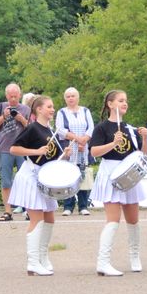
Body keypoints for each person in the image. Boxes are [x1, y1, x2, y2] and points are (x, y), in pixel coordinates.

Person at [8, 95, 71, 276]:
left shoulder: (49, 130)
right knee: (37, 220)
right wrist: (35, 151)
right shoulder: (33, 128)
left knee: (50, 219)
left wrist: (65, 154)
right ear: (39, 110)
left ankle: (43, 257)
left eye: (53, 107)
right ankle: (33, 262)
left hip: (45, 179)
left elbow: (50, 157)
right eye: (49, 107)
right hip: (31, 177)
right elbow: (14, 149)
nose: (52, 109)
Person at [89, 90, 147, 276]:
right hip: (111, 172)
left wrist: (146, 137)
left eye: (126, 101)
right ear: (110, 104)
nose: (125, 103)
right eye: (121, 100)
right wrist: (113, 144)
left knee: (133, 220)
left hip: (129, 173)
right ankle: (103, 262)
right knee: (113, 220)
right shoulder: (102, 128)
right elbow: (94, 152)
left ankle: (134, 257)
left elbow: (143, 153)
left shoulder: (130, 129)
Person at [0, 84, 31, 221]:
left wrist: (21, 119)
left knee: (25, 180)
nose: (13, 99)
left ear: (20, 95)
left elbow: (31, 129)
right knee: (6, 181)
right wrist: (4, 116)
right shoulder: (0, 107)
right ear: (6, 95)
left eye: (15, 96)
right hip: (5, 149)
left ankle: (28, 210)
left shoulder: (26, 109)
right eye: (10, 96)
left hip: (21, 149)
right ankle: (8, 211)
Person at [58, 87, 95, 216]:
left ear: (77, 97)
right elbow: (61, 130)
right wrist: (77, 139)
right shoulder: (61, 112)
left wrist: (84, 140)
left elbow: (91, 127)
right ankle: (68, 206)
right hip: (69, 148)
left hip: (83, 148)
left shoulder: (85, 111)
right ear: (65, 99)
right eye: (68, 96)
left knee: (82, 175)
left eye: (73, 96)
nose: (71, 98)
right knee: (69, 177)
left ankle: (83, 206)